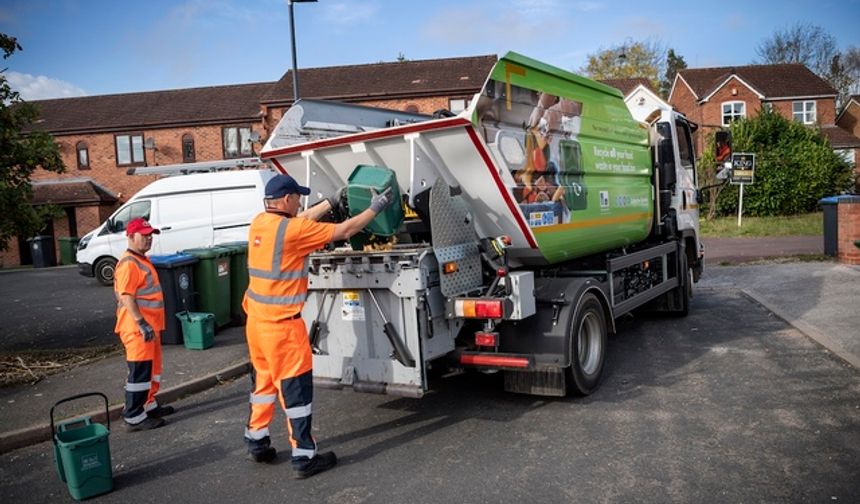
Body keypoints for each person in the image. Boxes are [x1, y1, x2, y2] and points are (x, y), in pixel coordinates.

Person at [242, 174, 395, 479]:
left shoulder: (260, 223)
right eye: (297, 197)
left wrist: (331, 202)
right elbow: (346, 230)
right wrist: (377, 206)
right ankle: (304, 456)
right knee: (295, 392)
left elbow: (298, 221)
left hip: (256, 324)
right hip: (283, 330)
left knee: (264, 385)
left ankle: (256, 440)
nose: (300, 202)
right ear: (287, 200)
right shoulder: (294, 230)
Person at [113, 217, 174, 431]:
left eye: (150, 235)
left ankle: (148, 404)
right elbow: (127, 296)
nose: (148, 239)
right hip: (138, 328)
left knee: (151, 370)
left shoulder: (140, 259)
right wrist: (141, 323)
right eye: (144, 236)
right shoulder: (129, 264)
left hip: (148, 327)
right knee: (139, 372)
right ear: (130, 236)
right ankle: (134, 416)